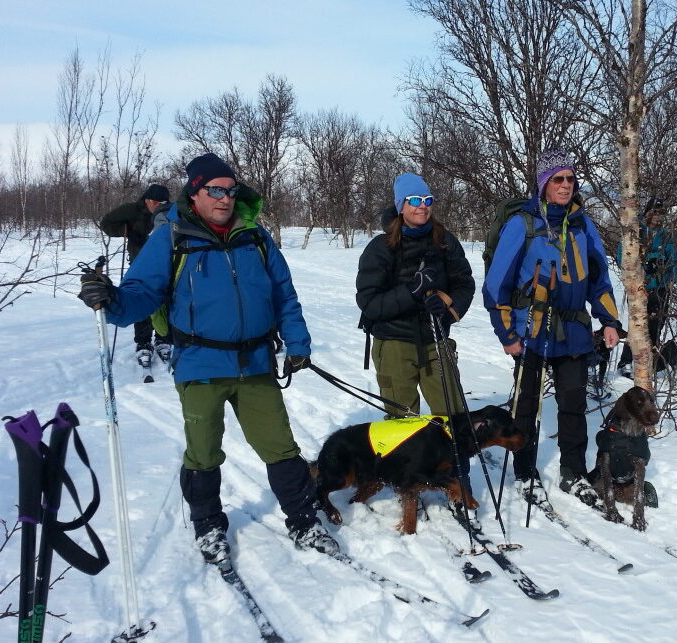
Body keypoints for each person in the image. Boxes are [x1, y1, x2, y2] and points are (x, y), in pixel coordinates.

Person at [77, 152, 338, 562]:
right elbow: (141, 294)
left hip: (255, 363)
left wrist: (298, 345)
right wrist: (110, 299)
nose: (225, 198)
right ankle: (209, 525)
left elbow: (283, 295)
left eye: (231, 191)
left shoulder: (255, 236)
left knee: (280, 447)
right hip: (200, 363)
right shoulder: (171, 237)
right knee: (203, 452)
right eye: (215, 190)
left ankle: (304, 520)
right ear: (195, 193)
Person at [482, 149, 621, 507]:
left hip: (573, 330)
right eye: (557, 179)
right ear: (544, 184)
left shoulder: (582, 225)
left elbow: (599, 280)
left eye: (570, 179)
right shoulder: (523, 224)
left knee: (573, 404)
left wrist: (609, 320)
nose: (565, 185)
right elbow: (496, 284)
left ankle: (573, 472)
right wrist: (507, 334)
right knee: (526, 405)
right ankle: (525, 471)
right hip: (531, 330)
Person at [356, 173, 475, 417]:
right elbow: (369, 304)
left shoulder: (445, 241)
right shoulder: (381, 247)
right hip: (394, 344)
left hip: (435, 339)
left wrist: (446, 308)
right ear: (401, 205)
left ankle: (454, 445)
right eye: (414, 200)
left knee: (454, 416)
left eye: (427, 200)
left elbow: (464, 284)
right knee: (404, 423)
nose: (422, 206)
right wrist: (412, 291)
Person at [99, 184, 173, 366]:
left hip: (164, 264)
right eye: (155, 202)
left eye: (163, 203)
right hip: (139, 263)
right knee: (141, 301)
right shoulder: (132, 210)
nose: (158, 206)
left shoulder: (170, 213)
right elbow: (106, 223)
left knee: (165, 301)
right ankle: (143, 342)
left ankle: (163, 339)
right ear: (147, 200)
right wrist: (128, 232)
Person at [615, 199, 677, 376]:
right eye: (655, 212)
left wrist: (669, 276)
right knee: (637, 325)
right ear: (647, 213)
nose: (658, 217)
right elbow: (622, 254)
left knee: (656, 326)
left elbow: (673, 259)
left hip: (660, 287)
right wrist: (641, 264)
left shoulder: (666, 236)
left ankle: (649, 362)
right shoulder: (637, 232)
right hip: (638, 286)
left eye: (661, 213)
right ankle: (626, 362)